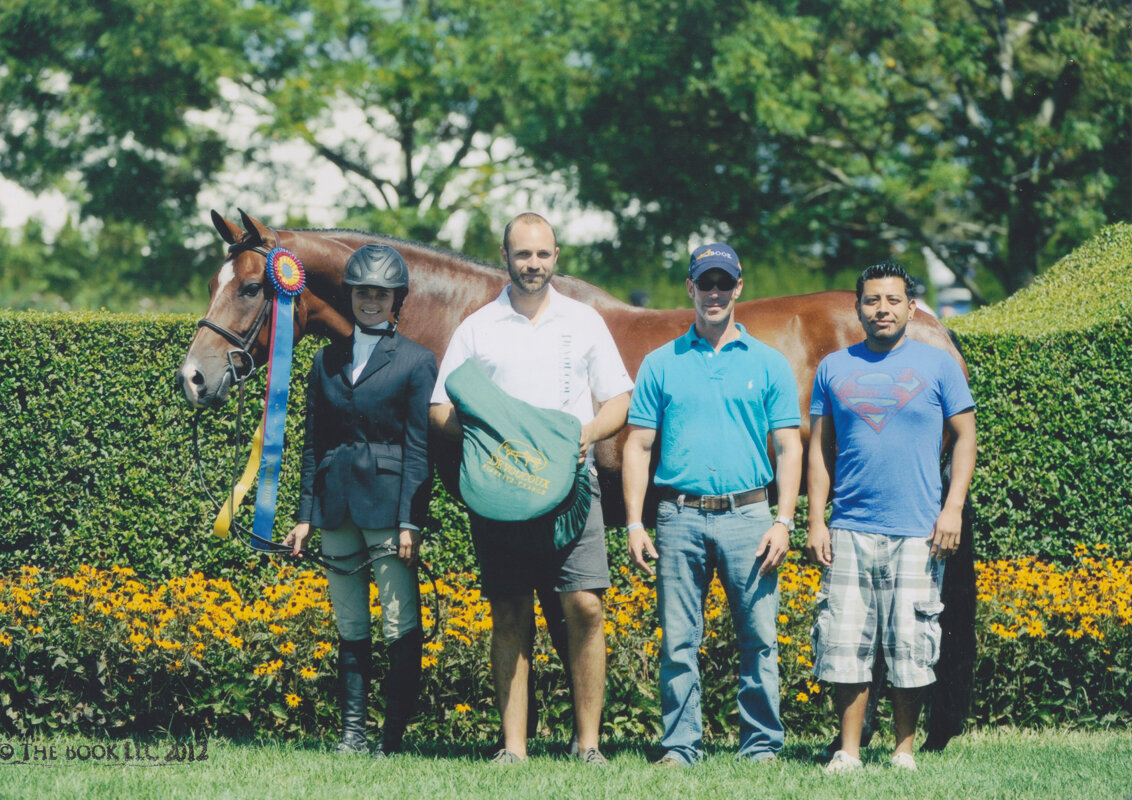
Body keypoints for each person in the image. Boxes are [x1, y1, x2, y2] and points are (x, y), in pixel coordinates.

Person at [430, 212, 632, 765]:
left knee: (586, 605)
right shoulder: (478, 326)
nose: (533, 265)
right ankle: (513, 747)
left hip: (574, 488)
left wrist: (586, 433)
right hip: (502, 493)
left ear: (557, 256)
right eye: (523, 255)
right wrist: (487, 444)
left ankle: (589, 744)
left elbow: (619, 399)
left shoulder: (585, 321)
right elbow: (440, 407)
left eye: (542, 255)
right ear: (505, 257)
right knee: (510, 610)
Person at [621, 243, 803, 766]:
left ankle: (761, 745)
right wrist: (634, 521)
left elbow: (790, 446)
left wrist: (784, 519)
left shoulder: (768, 364)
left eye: (724, 282)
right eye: (706, 283)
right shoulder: (661, 363)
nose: (715, 293)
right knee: (679, 642)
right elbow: (637, 445)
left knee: (760, 639)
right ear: (691, 289)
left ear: (739, 287)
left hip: (750, 517)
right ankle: (681, 747)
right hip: (678, 516)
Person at [805, 259, 976, 772]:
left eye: (893, 300)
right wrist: (816, 520)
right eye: (873, 300)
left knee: (911, 641)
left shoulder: (938, 365)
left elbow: (965, 436)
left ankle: (903, 749)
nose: (883, 309)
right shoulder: (833, 367)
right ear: (858, 308)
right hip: (851, 526)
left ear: (911, 307)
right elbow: (818, 449)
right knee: (844, 641)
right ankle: (849, 750)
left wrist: (953, 509)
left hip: (920, 528)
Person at [283, 244, 437, 757]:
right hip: (335, 504)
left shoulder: (416, 361)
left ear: (396, 299)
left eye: (380, 293)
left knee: (398, 621)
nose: (370, 301)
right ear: (350, 296)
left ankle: (391, 738)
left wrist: (411, 521)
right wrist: (304, 515)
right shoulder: (325, 361)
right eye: (362, 292)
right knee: (350, 622)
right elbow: (312, 444)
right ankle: (353, 732)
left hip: (389, 507)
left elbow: (419, 448)